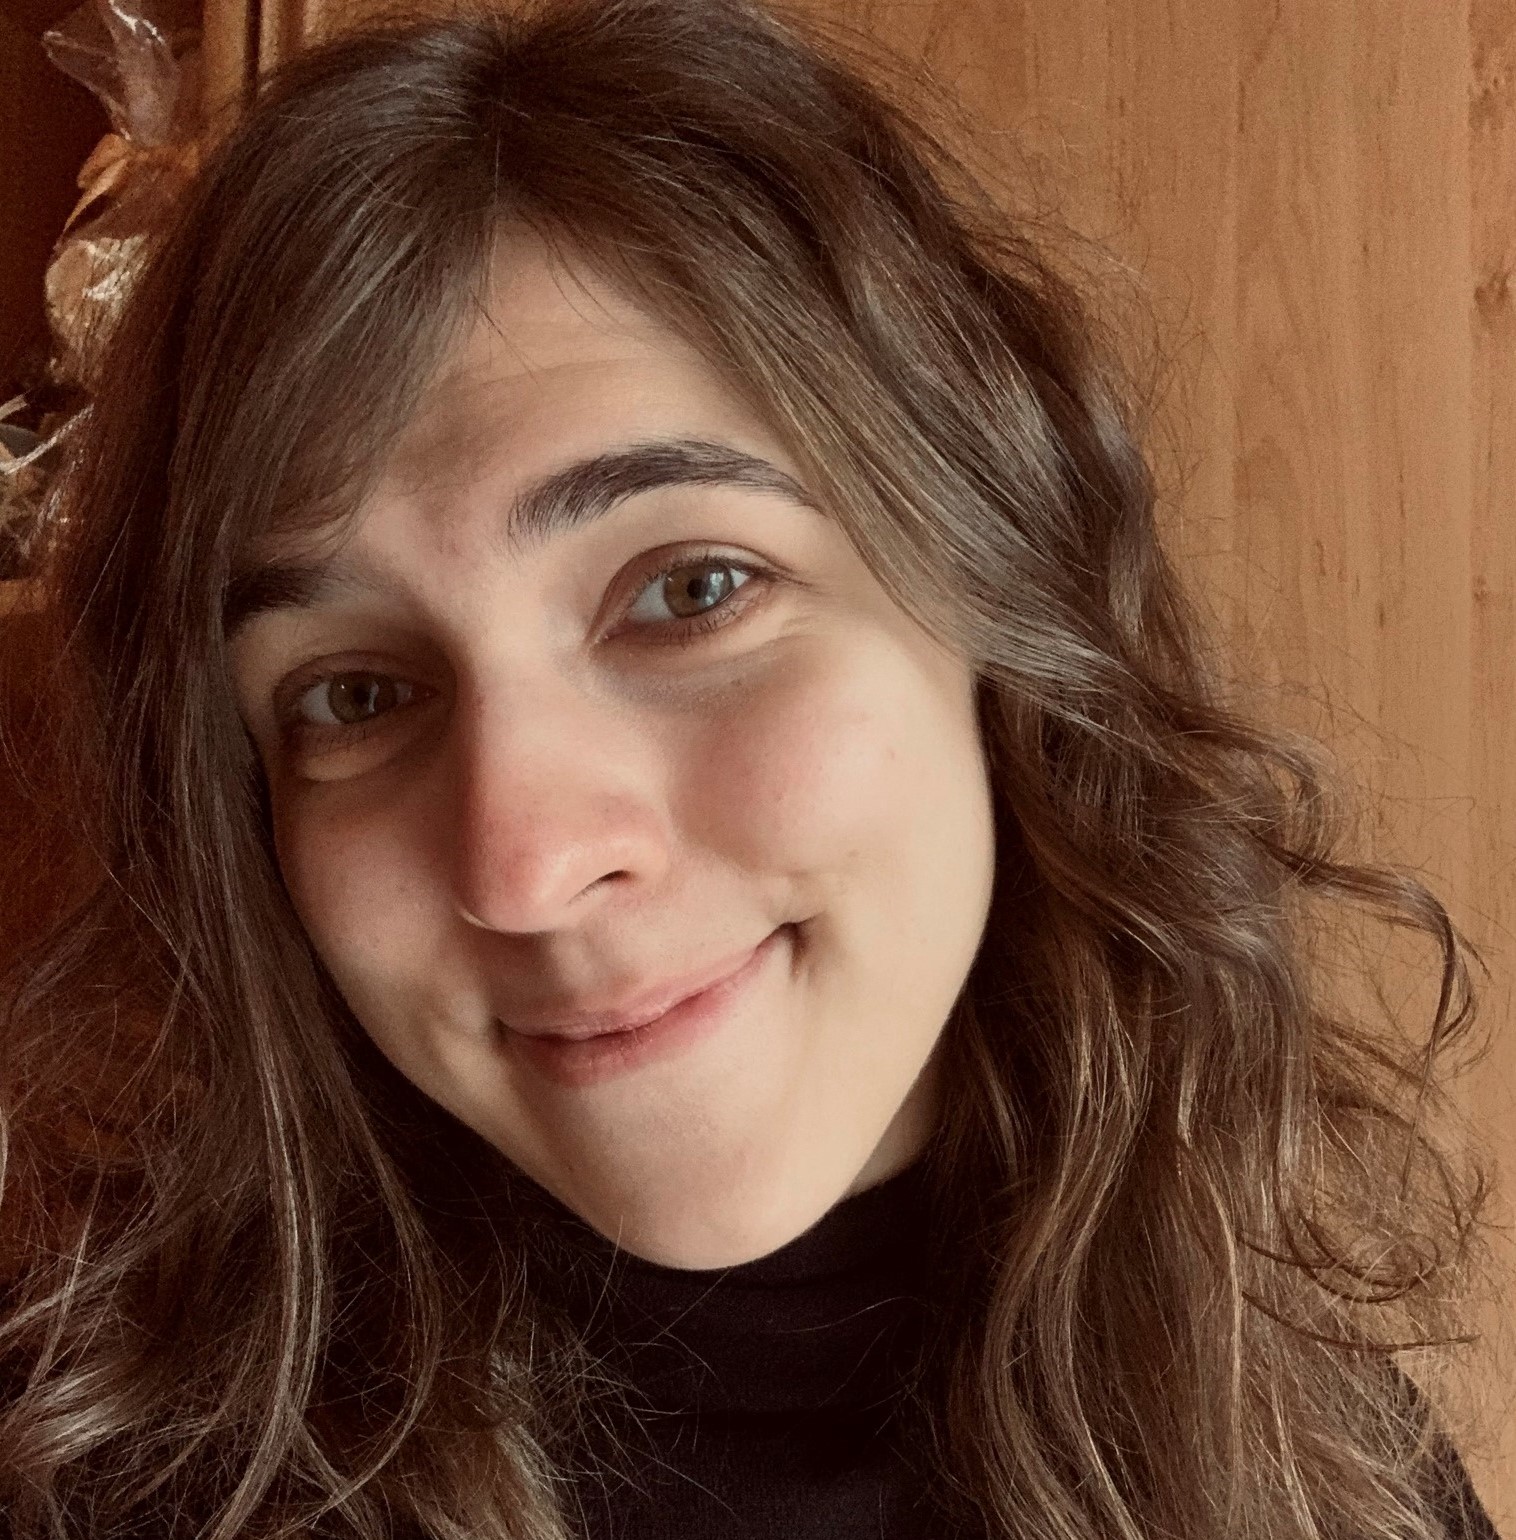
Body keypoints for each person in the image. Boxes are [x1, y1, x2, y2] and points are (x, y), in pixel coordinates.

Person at [0, 0, 1505, 1535]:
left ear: (997, 594)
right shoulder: (81, 1482)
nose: (525, 865)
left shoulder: (1325, 1464)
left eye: (691, 590)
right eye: (356, 694)